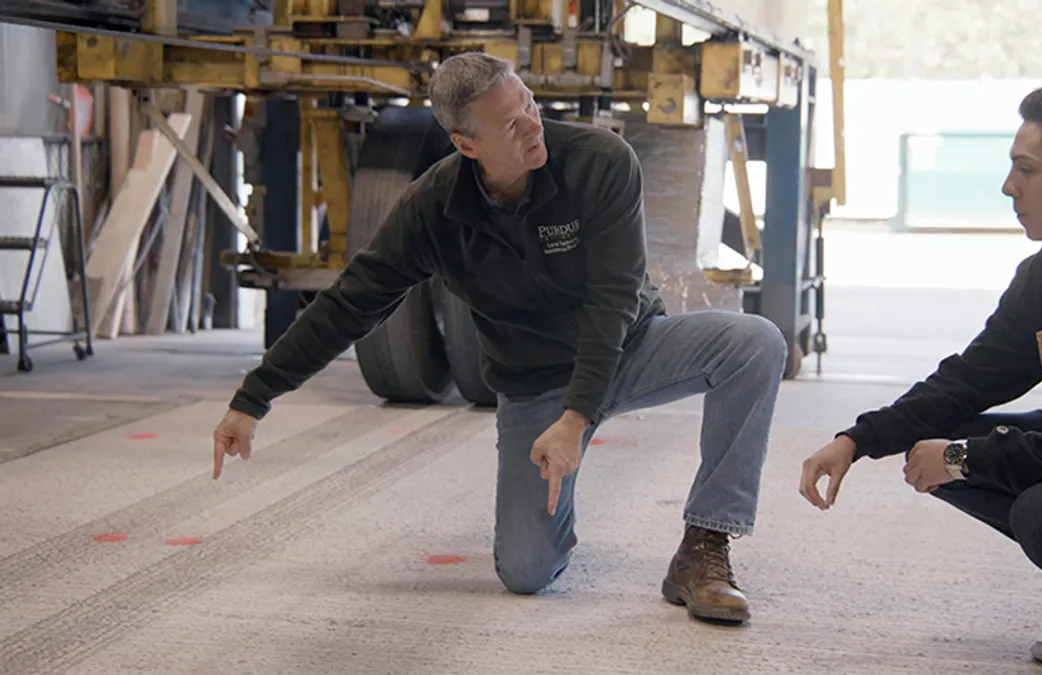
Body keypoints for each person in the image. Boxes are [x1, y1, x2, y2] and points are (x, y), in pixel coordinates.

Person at [210, 51, 787, 625]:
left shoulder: (599, 160)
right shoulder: (434, 209)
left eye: (529, 104)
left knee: (755, 343)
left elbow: (611, 300)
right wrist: (253, 398)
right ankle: (550, 518)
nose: (533, 125)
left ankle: (705, 546)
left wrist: (577, 417)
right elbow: (348, 304)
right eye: (511, 124)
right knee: (526, 572)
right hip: (534, 383)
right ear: (467, 145)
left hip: (629, 349)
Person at [799, 84, 1042, 673]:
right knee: (941, 437)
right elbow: (969, 378)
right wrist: (857, 441)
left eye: (1025, 169)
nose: (1008, 187)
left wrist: (965, 458)